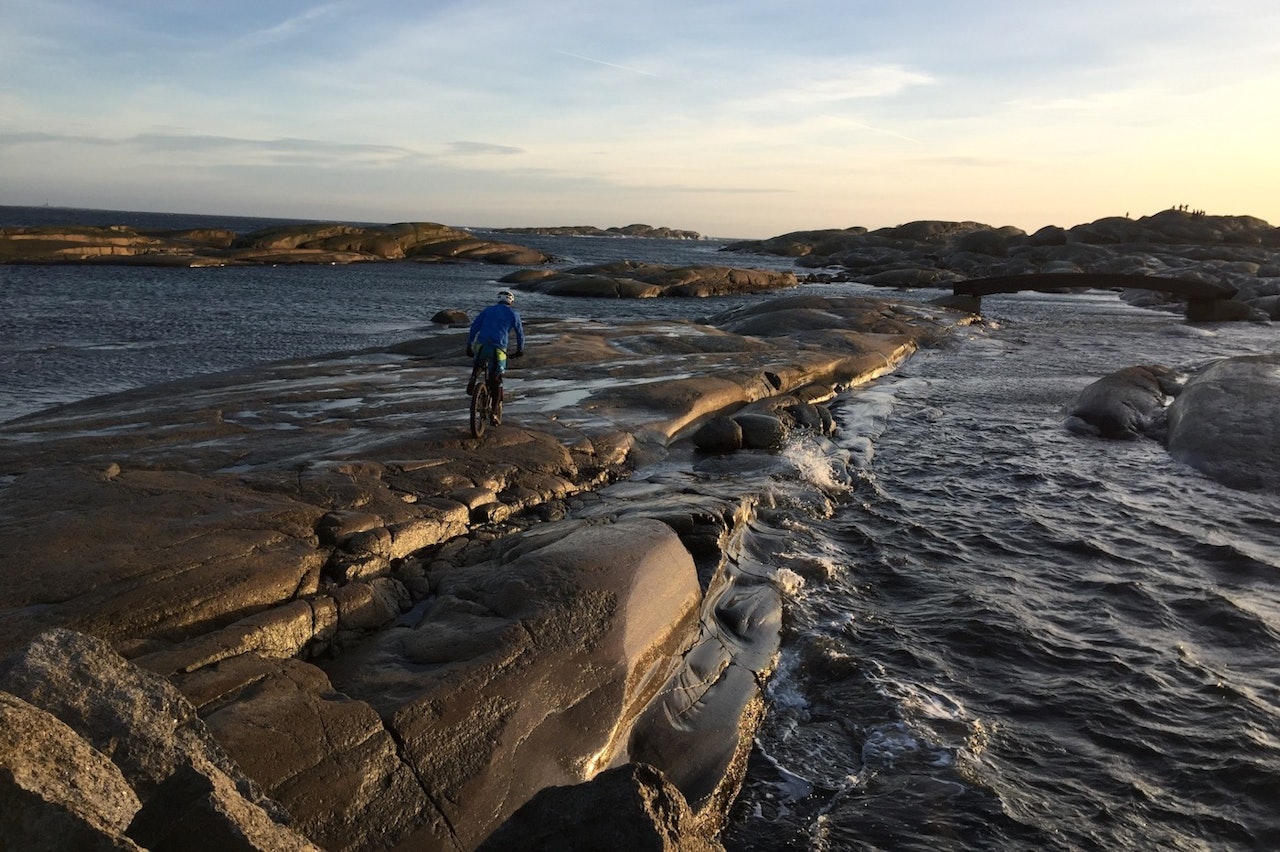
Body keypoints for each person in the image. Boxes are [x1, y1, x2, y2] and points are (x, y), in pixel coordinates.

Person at [466, 289, 525, 424]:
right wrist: (520, 350)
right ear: (511, 301)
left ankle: (474, 376)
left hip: (481, 346)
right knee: (497, 379)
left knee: (479, 363)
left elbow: (474, 326)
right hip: (498, 349)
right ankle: (494, 412)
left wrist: (469, 344)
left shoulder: (488, 310)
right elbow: (520, 334)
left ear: (498, 299)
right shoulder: (513, 314)